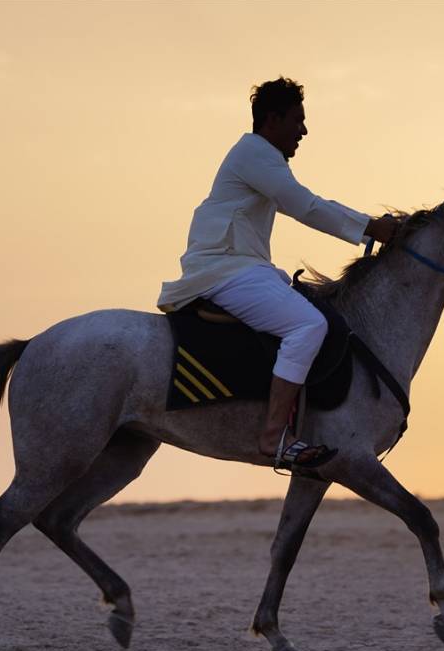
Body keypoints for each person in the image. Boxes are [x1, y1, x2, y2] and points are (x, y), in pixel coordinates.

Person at [157, 76, 399, 469]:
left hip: (242, 267)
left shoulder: (261, 157)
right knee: (308, 326)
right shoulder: (255, 154)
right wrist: (370, 227)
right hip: (225, 270)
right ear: (273, 120)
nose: (304, 130)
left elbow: (304, 203)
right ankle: (276, 439)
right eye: (297, 120)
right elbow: (306, 206)